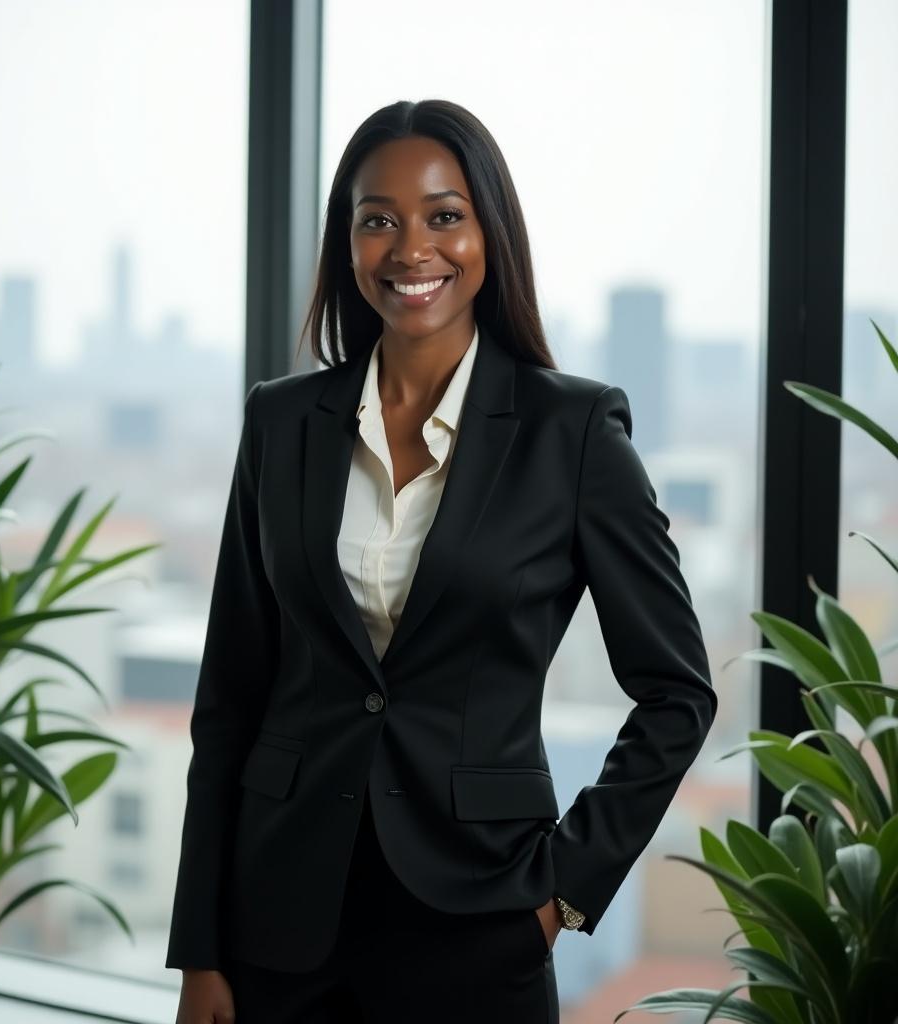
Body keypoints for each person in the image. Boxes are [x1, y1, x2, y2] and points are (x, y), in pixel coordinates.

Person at [168, 98, 718, 1024]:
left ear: (488, 232)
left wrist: (561, 894)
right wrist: (201, 950)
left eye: (444, 216)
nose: (409, 247)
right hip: (278, 926)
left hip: (480, 925)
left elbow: (679, 693)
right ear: (348, 244)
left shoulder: (571, 431)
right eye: (378, 219)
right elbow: (230, 698)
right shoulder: (280, 422)